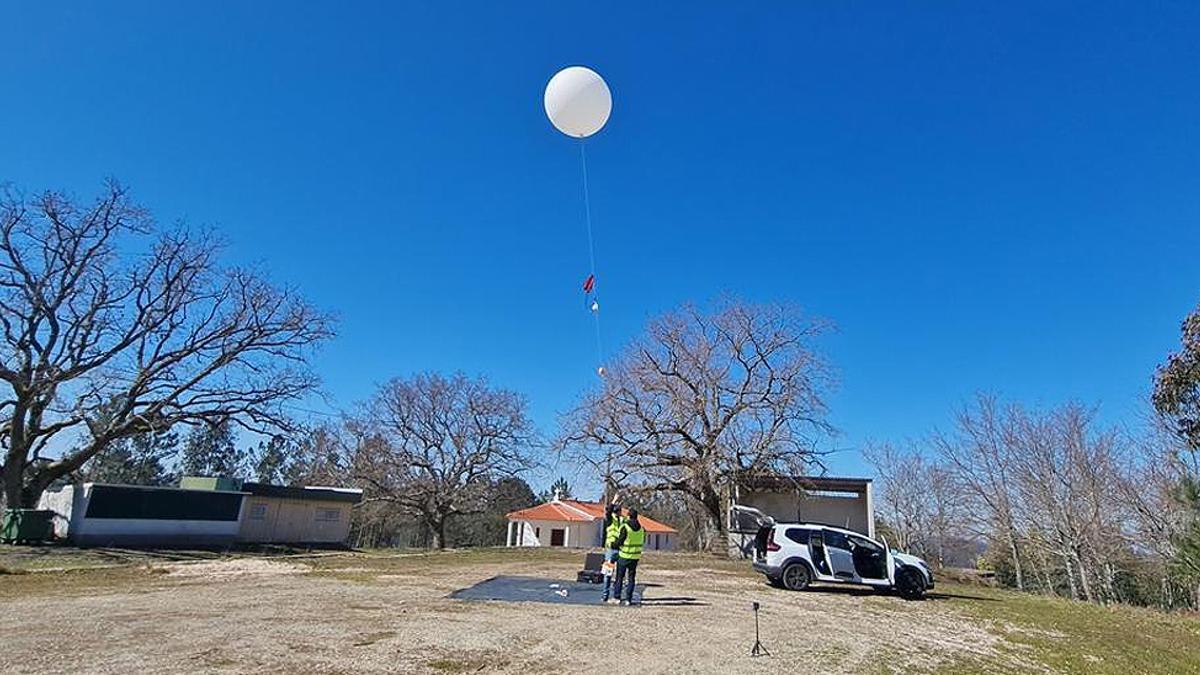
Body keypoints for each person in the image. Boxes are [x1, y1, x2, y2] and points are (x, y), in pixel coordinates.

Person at [610, 507, 646, 606]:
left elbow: (620, 541)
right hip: (635, 557)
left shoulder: (625, 527)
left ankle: (617, 597)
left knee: (619, 578)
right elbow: (643, 541)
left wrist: (612, 544)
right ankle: (628, 599)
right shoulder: (642, 529)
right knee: (631, 579)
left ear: (628, 516)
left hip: (624, 556)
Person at [599, 499, 624, 603]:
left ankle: (616, 595)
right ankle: (605, 595)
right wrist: (614, 500)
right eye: (618, 511)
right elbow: (607, 511)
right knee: (608, 574)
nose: (620, 513)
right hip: (611, 550)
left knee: (619, 575)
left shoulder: (622, 520)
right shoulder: (610, 520)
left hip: (620, 549)